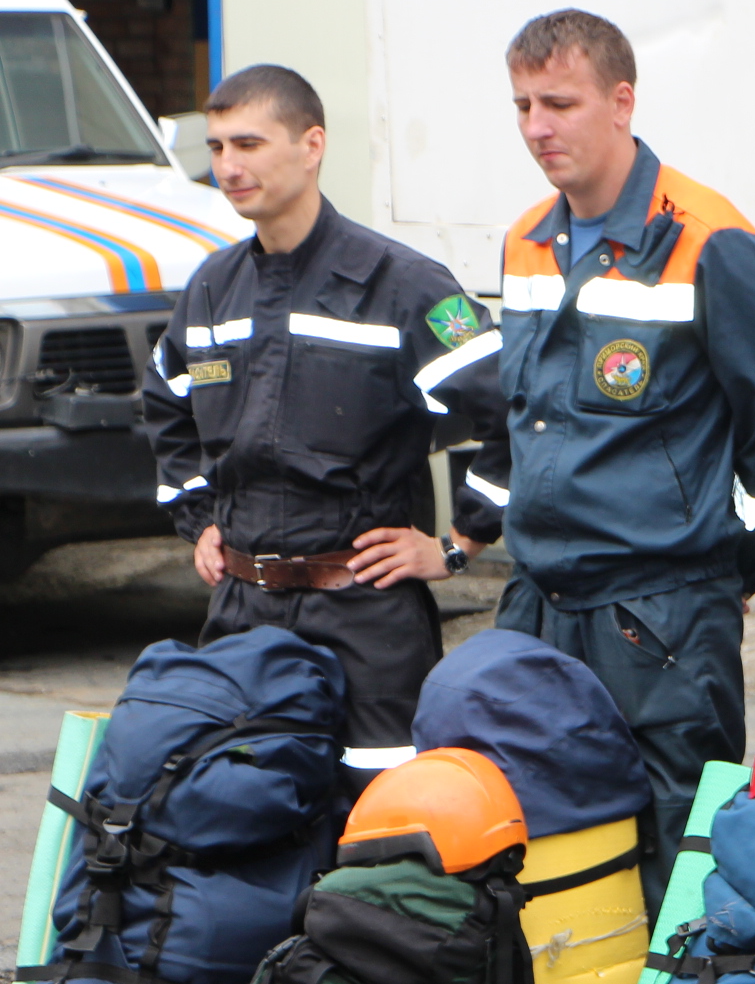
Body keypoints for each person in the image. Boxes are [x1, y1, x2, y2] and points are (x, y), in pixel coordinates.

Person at [472, 9, 755, 908]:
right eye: (522, 107)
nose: (538, 128)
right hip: (537, 604)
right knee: (536, 852)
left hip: (660, 619)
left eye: (560, 103)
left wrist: (723, 568)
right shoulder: (525, 241)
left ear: (621, 101)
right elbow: (525, 419)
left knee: (677, 864)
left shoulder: (709, 239)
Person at [142, 63, 506, 774]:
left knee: (377, 829)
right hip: (241, 614)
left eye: (248, 144)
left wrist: (458, 544)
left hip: (366, 621)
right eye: (216, 148)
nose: (228, 166)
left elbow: (515, 412)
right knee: (240, 813)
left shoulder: (404, 286)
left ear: (312, 146)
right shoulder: (212, 291)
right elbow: (165, 404)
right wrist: (198, 518)